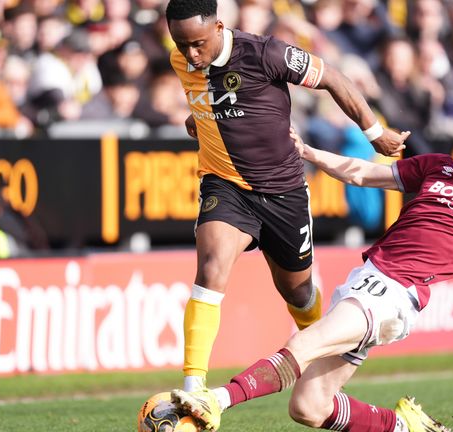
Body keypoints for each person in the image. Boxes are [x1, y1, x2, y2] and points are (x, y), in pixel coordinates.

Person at [161, 107, 453, 432]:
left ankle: (213, 402)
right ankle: (403, 426)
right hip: (367, 279)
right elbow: (362, 173)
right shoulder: (436, 168)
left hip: (395, 295)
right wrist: (308, 153)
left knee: (302, 344)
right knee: (308, 407)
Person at [163, 0, 409, 394]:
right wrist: (198, 119)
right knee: (210, 267)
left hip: (284, 192)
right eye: (181, 44)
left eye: (197, 44)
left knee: (296, 290)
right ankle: (193, 389)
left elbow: (334, 77)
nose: (191, 54)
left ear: (219, 27)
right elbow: (213, 98)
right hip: (225, 185)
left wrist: (374, 132)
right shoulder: (182, 59)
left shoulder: (266, 53)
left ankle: (324, 364)